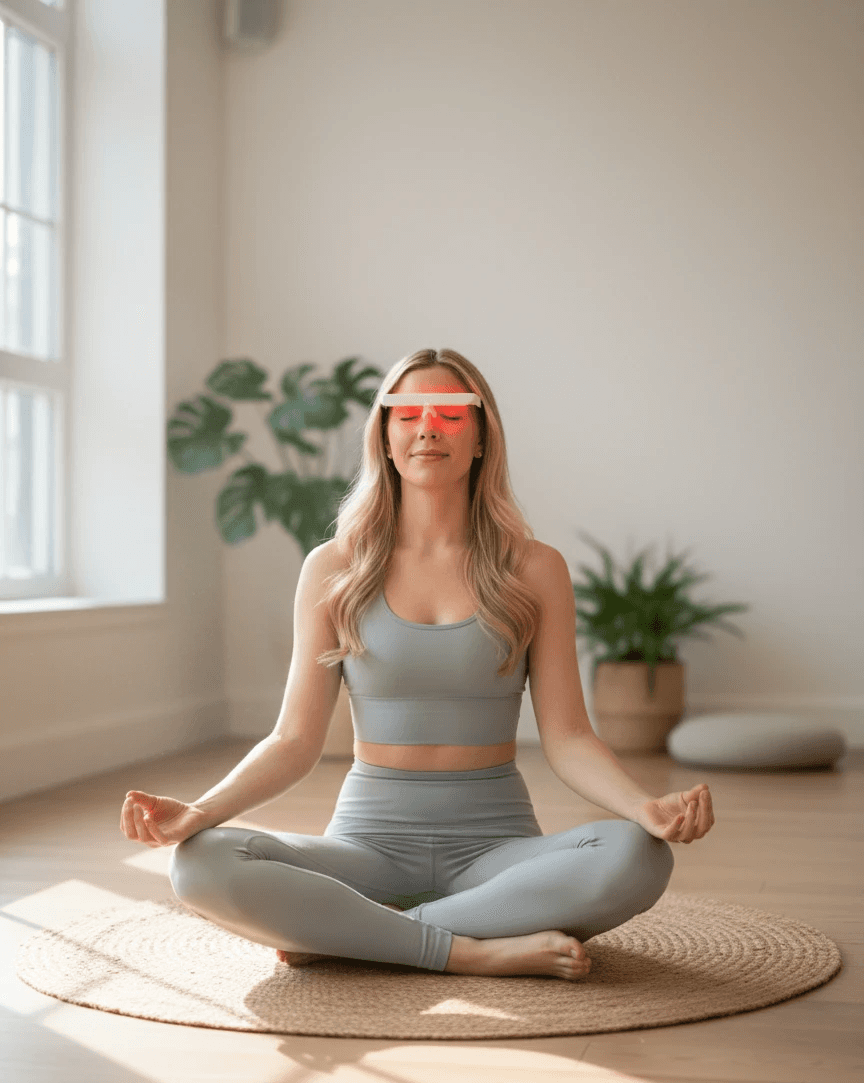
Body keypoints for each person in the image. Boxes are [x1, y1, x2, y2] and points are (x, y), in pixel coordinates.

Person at [120, 348, 715, 980]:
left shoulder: (537, 570)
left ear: (482, 436)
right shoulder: (332, 568)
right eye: (406, 413)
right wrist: (199, 812)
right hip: (365, 851)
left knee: (636, 855)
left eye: (452, 414)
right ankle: (472, 946)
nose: (427, 426)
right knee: (201, 861)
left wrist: (643, 807)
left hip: (496, 851)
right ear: (384, 435)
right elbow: (294, 740)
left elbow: (568, 739)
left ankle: (356, 935)